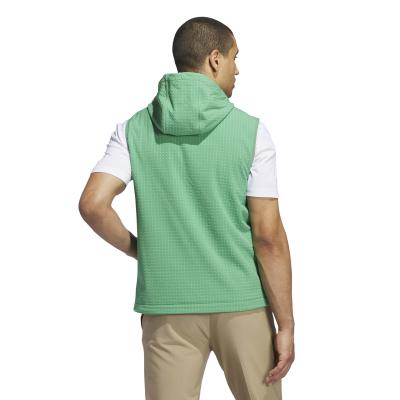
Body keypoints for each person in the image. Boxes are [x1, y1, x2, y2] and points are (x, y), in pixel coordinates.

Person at [79, 16, 295, 400]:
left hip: (166, 307)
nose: (237, 69)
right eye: (234, 57)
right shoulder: (251, 133)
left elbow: (93, 204)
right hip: (242, 304)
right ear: (215, 59)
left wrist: (140, 249)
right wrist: (287, 324)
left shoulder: (132, 130)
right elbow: (268, 238)